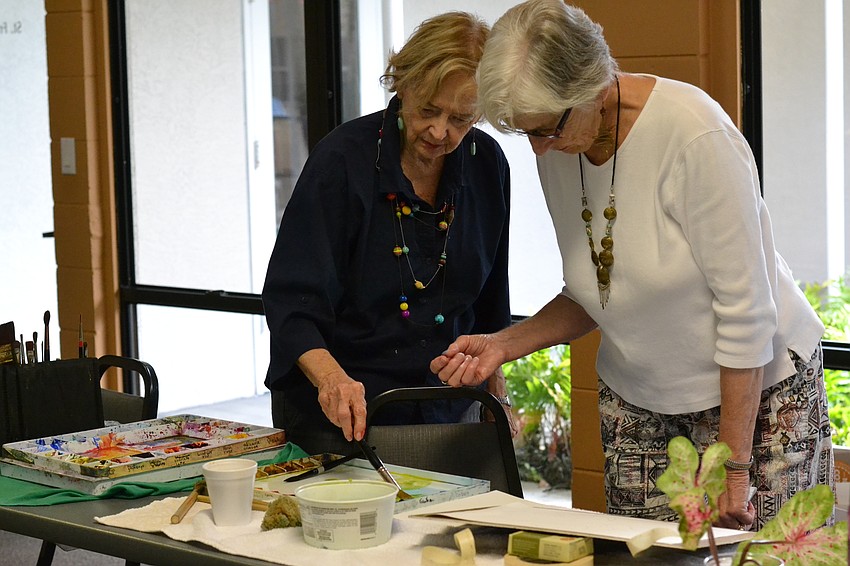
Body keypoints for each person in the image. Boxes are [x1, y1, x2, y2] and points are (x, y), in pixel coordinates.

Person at [431, 0, 833, 531]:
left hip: (756, 400)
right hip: (638, 401)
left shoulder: (695, 137)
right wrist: (504, 344)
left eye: (547, 129)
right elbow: (598, 288)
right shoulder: (560, 148)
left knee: (761, 558)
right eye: (526, 133)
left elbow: (746, 314)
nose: (539, 150)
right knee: (643, 556)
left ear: (594, 88)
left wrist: (733, 469)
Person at [262, 11, 514, 456]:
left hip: (449, 411)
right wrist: (333, 380)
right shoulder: (343, 160)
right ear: (403, 83)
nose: (441, 132)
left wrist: (497, 391)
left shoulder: (485, 162)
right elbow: (292, 301)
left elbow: (491, 300)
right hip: (344, 416)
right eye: (429, 110)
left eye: (462, 118)